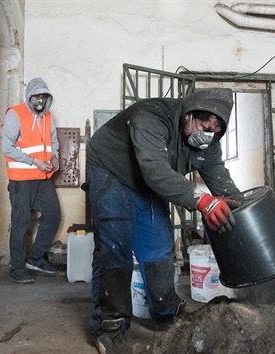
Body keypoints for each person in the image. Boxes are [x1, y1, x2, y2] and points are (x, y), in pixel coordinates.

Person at [85, 88, 241, 352]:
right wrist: (203, 201)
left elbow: (222, 183)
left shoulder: (209, 144)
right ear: (189, 115)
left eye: (215, 130)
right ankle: (111, 326)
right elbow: (155, 171)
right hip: (111, 170)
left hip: (145, 183)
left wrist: (244, 209)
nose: (208, 134)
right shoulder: (152, 116)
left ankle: (166, 311)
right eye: (205, 125)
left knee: (158, 244)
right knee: (116, 247)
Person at [1, 78, 61, 284]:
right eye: (35, 96)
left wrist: (55, 157)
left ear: (47, 98)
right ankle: (16, 268)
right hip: (21, 180)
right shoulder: (15, 114)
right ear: (28, 97)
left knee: (53, 215)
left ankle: (35, 259)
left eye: (43, 96)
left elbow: (53, 142)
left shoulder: (47, 117)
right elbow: (7, 147)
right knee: (20, 223)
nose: (39, 100)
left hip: (42, 179)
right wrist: (34, 161)